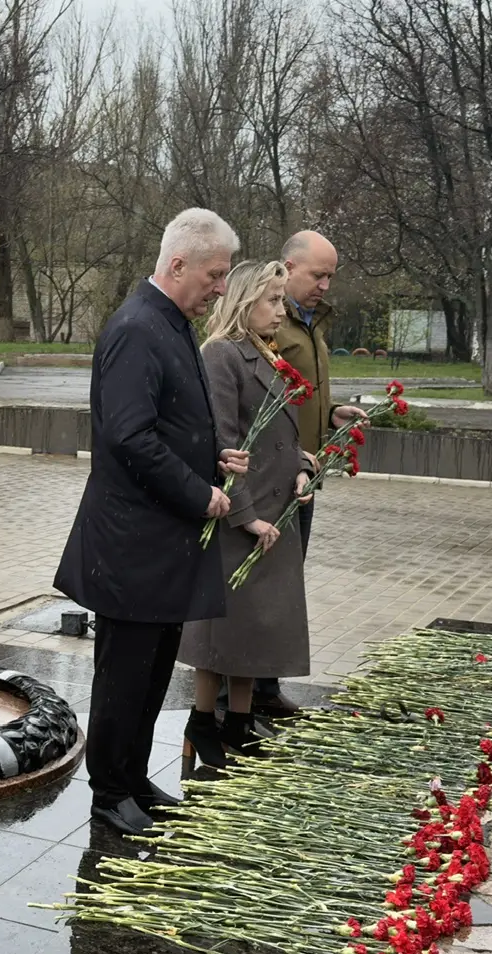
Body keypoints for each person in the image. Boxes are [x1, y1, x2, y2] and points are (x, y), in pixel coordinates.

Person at [53, 208, 250, 837]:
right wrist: (202, 494)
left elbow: (163, 423)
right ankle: (109, 792)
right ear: (177, 265)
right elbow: (129, 436)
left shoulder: (169, 322)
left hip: (158, 543)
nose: (222, 287)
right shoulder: (138, 327)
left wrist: (210, 455)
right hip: (132, 543)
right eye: (215, 274)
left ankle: (133, 778)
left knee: (153, 670)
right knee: (124, 676)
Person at [178, 261, 313, 769]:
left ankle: (236, 723)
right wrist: (248, 516)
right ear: (243, 301)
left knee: (250, 631)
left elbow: (282, 433)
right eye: (272, 300)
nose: (282, 310)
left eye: (281, 300)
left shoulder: (265, 352)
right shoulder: (221, 354)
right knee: (221, 632)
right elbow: (225, 442)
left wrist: (301, 467)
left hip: (275, 508)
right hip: (240, 516)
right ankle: (201, 720)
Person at [241, 229, 364, 718]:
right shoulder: (268, 324)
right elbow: (255, 402)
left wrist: (331, 412)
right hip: (272, 478)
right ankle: (239, 694)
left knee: (283, 587)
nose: (326, 285)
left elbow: (298, 398)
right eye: (318, 274)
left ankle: (264, 691)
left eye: (331, 276)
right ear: (288, 267)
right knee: (260, 588)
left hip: (303, 477)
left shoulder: (311, 325)